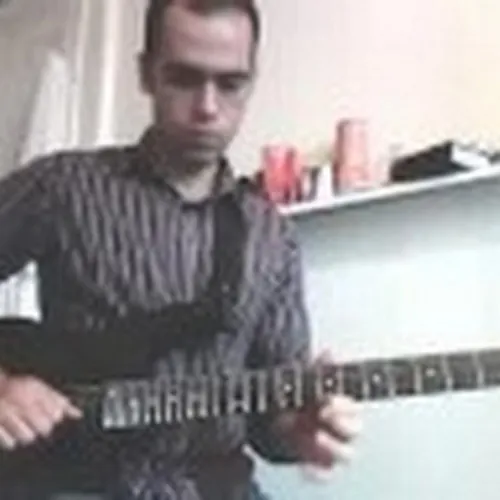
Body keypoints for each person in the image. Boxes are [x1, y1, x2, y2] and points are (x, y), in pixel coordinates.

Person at [0, 0, 362, 498]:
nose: (208, 106)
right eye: (185, 78)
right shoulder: (62, 188)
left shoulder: (273, 237)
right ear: (146, 74)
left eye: (230, 83)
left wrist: (298, 431)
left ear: (251, 83)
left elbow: (270, 419)